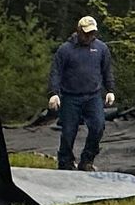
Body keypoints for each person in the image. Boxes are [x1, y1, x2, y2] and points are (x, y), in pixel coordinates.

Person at [48, 15, 115, 170]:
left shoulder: (101, 48)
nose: (89, 36)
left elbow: (107, 71)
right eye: (86, 33)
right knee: (68, 132)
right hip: (70, 96)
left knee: (98, 126)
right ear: (78, 31)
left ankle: (87, 160)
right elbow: (56, 72)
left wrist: (110, 90)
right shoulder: (65, 49)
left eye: (92, 33)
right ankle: (65, 161)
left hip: (93, 96)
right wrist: (54, 93)